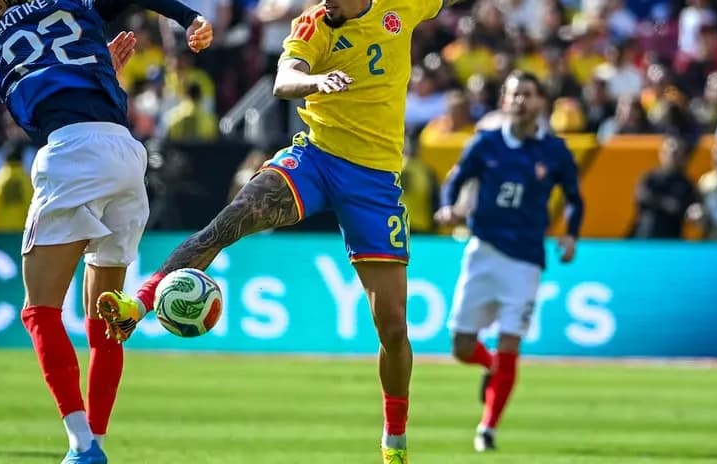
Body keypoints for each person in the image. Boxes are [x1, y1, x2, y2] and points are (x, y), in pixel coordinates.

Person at [97, 0, 465, 462]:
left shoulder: (404, 6)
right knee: (230, 220)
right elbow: (284, 79)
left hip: (373, 181)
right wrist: (316, 81)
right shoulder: (314, 23)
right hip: (316, 158)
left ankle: (394, 442)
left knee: (392, 326)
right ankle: (140, 301)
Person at [0, 0, 212, 462]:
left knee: (39, 312)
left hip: (72, 153)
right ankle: (95, 439)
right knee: (107, 322)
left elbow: (37, 110)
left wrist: (93, 64)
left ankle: (81, 447)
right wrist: (187, 18)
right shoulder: (71, 4)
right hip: (124, 152)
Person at [434, 71, 584, 453]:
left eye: (527, 95)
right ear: (504, 101)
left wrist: (571, 233)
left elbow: (574, 198)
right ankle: (489, 366)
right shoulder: (484, 143)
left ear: (540, 103)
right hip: (483, 248)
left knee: (510, 343)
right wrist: (449, 206)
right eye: (513, 94)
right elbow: (455, 179)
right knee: (461, 346)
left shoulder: (554, 151)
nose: (519, 101)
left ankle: (488, 427)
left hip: (527, 259)